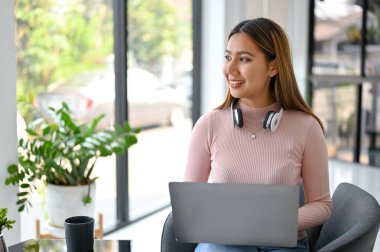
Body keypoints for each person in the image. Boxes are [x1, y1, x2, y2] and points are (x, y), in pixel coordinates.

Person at [184, 17, 332, 252]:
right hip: (224, 241)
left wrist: (271, 223)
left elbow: (321, 205)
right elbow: (189, 205)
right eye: (227, 57)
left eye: (244, 59)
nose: (230, 69)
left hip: (284, 244)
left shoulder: (306, 127)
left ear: (273, 67)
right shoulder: (209, 124)